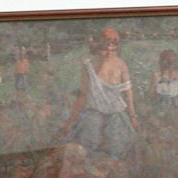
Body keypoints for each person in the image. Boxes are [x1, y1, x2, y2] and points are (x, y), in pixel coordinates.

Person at [58, 26, 138, 162]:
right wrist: (69, 122)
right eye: (105, 48)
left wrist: (133, 117)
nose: (109, 52)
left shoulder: (121, 65)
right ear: (98, 46)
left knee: (117, 145)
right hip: (94, 111)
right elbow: (83, 97)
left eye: (113, 48)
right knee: (88, 142)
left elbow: (128, 93)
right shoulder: (88, 66)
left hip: (116, 112)